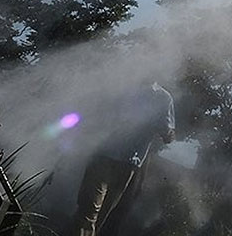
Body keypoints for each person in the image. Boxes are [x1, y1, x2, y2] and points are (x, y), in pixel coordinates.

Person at [70, 81, 175, 236]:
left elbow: (169, 135)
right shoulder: (121, 82)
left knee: (102, 212)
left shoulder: (163, 97)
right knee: (89, 209)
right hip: (104, 154)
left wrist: (165, 130)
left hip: (129, 162)